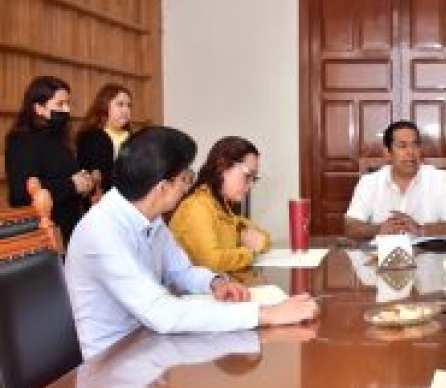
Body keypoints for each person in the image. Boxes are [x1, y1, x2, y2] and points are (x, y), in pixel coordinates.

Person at [65, 125, 318, 360]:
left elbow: (181, 270)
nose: (187, 187)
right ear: (162, 187)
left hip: (148, 344)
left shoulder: (149, 216)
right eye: (185, 178)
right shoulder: (102, 231)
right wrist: (265, 314)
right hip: (114, 361)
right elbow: (160, 311)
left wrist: (215, 282)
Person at [4, 75, 95, 243]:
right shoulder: (22, 140)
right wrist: (72, 185)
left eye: (68, 104)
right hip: (44, 235)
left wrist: (84, 183)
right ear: (39, 108)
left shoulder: (60, 138)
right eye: (60, 104)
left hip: (70, 229)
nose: (67, 110)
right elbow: (20, 195)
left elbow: (65, 177)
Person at [344, 120, 446, 240]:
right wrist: (378, 229)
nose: (410, 152)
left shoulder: (440, 179)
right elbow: (350, 226)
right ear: (387, 153)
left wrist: (421, 230)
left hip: (428, 252)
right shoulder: (369, 182)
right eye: (402, 146)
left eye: (415, 145)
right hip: (382, 252)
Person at [169, 136, 270, 277]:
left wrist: (253, 242)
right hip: (194, 289)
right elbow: (212, 262)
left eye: (254, 178)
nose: (251, 185)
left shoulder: (222, 205)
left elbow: (264, 238)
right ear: (223, 166)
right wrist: (250, 253)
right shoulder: (197, 207)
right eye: (248, 175)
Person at [76, 82, 133, 197]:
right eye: (120, 104)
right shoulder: (91, 136)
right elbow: (94, 178)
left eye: (128, 105)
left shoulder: (133, 136)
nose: (126, 110)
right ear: (104, 105)